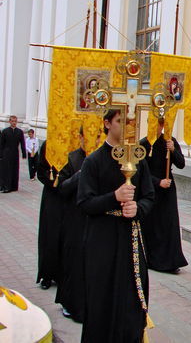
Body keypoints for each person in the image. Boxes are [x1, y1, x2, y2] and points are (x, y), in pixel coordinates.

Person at [77, 109, 154, 343]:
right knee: (102, 298)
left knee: (131, 299)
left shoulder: (138, 159)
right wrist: (115, 197)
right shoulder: (94, 161)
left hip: (130, 238)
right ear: (107, 123)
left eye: (131, 121)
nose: (127, 126)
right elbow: (84, 203)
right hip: (103, 239)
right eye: (122, 121)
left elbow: (149, 197)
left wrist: (137, 209)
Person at [140, 119, 188, 273]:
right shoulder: (143, 144)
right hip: (151, 188)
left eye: (161, 124)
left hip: (167, 189)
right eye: (155, 124)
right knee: (152, 225)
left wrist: (173, 150)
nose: (158, 127)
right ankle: (153, 260)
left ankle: (170, 260)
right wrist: (157, 182)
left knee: (169, 225)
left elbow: (181, 164)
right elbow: (141, 171)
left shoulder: (170, 141)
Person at [55, 127, 87, 321]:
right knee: (73, 263)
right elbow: (62, 187)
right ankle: (70, 303)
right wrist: (79, 175)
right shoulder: (72, 158)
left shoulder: (103, 157)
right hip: (74, 219)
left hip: (93, 220)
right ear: (81, 136)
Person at [36, 141, 63, 290]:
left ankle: (61, 274)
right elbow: (41, 171)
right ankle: (47, 274)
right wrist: (55, 184)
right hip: (52, 197)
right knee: (50, 235)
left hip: (68, 197)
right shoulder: (48, 143)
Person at [0, 115, 26, 193]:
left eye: (15, 121)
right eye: (12, 121)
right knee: (6, 170)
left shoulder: (20, 132)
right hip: (6, 153)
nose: (14, 123)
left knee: (15, 169)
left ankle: (14, 186)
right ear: (9, 121)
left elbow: (22, 143)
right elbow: (1, 144)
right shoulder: (5, 131)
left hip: (15, 152)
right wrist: (0, 154)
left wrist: (24, 153)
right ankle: (6, 186)